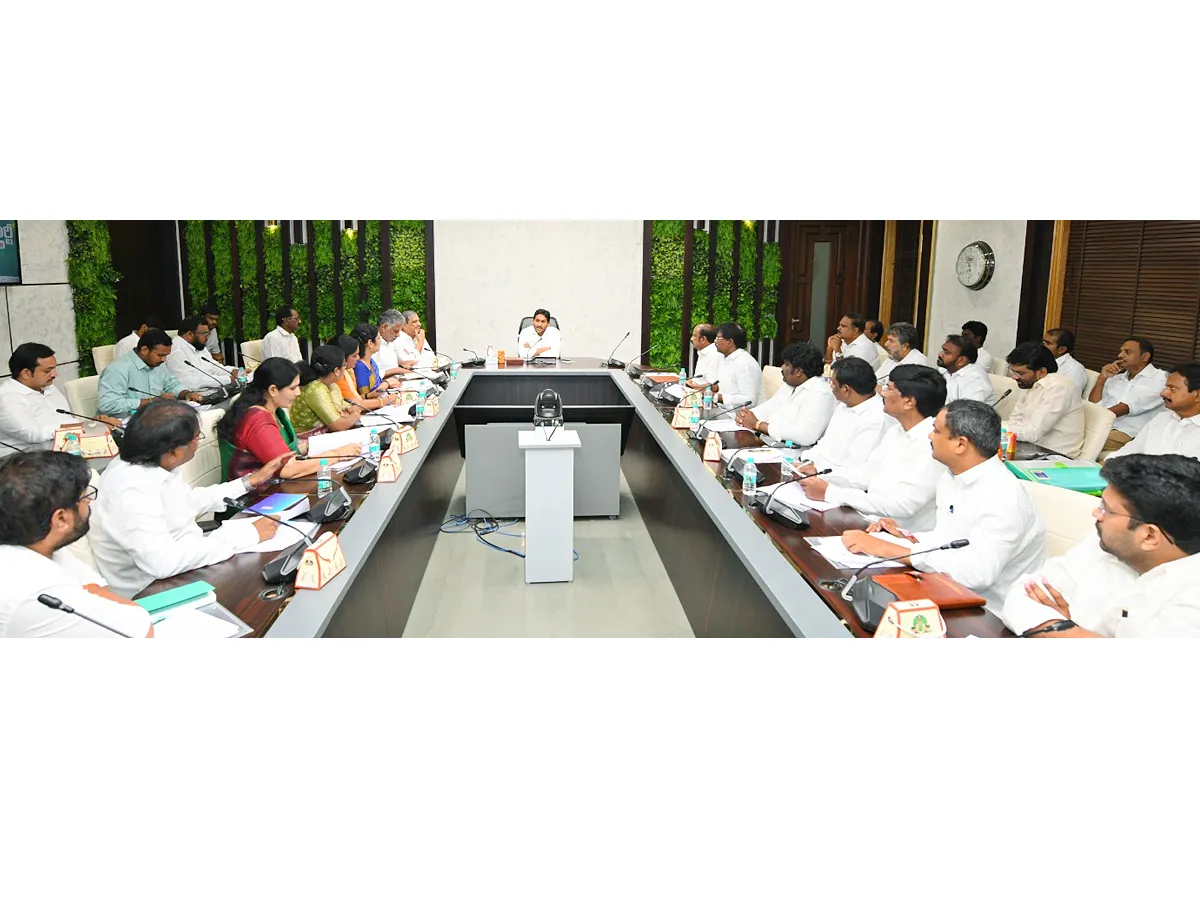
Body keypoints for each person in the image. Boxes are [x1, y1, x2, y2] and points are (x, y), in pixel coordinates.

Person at [840, 400, 1046, 610]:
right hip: (944, 588)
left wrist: (892, 549)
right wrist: (906, 536)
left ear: (960, 444)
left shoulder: (1003, 496)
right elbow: (948, 539)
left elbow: (978, 574)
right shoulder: (952, 475)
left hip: (989, 612)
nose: (929, 436)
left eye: (936, 431)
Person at [89, 400, 289, 598]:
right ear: (173, 452)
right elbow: (162, 562)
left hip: (186, 569)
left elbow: (188, 501)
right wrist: (244, 536)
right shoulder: (130, 490)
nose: (197, 443)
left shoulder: (153, 462)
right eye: (196, 438)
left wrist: (249, 481)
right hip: (155, 592)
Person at [1000, 454, 1200, 637]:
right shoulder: (1107, 545)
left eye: (1107, 509)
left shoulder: (1191, 595)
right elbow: (1022, 594)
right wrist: (1068, 630)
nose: (1096, 513)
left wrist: (1070, 630)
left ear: (1149, 536)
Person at [0, 451, 153, 638]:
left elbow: (93, 585)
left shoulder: (33, 541)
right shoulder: (37, 589)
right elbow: (139, 630)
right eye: (83, 497)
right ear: (61, 519)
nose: (89, 500)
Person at [800, 364, 947, 531]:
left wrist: (831, 492)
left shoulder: (933, 443)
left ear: (909, 401)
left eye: (889, 388)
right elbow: (865, 474)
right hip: (869, 519)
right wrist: (820, 475)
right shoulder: (896, 430)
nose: (882, 392)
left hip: (901, 536)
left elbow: (903, 505)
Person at [218, 358, 360, 481]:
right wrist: (338, 454)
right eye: (293, 388)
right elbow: (289, 469)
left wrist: (326, 443)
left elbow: (286, 451)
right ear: (273, 390)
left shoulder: (273, 409)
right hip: (256, 499)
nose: (298, 393)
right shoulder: (258, 421)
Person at [0, 343, 122, 456]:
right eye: (48, 371)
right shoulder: (7, 398)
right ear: (26, 373)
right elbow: (34, 435)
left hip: (65, 451)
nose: (55, 374)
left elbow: (67, 420)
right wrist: (86, 426)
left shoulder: (47, 387)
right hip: (24, 462)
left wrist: (93, 424)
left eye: (54, 369)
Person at [796, 356, 895, 472]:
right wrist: (807, 460)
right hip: (814, 470)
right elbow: (824, 444)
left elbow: (855, 470)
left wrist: (816, 470)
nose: (830, 386)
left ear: (846, 389)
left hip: (834, 482)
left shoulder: (877, 418)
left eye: (832, 383)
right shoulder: (845, 404)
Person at [734, 341, 837, 446]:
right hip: (770, 443)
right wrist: (745, 416)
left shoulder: (820, 394)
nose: (782, 367)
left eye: (786, 364)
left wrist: (758, 424)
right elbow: (769, 407)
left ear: (798, 372)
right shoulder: (790, 385)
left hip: (794, 454)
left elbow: (805, 436)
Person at [1002, 341, 1085, 458]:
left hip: (1055, 458)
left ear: (1041, 372)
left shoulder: (1059, 387)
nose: (1014, 377)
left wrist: (993, 427)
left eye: (1020, 373)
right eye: (1013, 371)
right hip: (1029, 449)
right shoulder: (1030, 383)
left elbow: (1033, 433)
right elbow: (1015, 420)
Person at [96, 329, 204, 417]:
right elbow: (108, 404)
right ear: (144, 350)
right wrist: (151, 401)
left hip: (154, 420)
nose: (164, 360)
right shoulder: (118, 369)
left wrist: (186, 394)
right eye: (160, 355)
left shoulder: (157, 364)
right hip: (123, 427)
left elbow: (172, 384)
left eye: (166, 355)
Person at [1088, 336, 1168, 452]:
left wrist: (1091, 420)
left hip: (1128, 432)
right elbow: (1094, 405)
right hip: (1102, 425)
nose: (1120, 355)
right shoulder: (1116, 378)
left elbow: (1126, 407)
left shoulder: (1161, 379)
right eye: (1120, 351)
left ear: (1144, 356)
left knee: (1081, 439)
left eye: (1127, 352)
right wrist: (1102, 378)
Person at [1108, 363, 1200, 461]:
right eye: (1166, 387)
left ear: (1198, 395)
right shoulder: (1162, 418)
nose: (1163, 393)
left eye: (1172, 388)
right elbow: (1130, 450)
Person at [290, 345, 365, 434]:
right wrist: (356, 413)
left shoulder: (332, 385)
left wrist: (351, 412)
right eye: (344, 365)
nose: (345, 368)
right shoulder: (315, 389)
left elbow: (347, 408)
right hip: (307, 442)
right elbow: (339, 425)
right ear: (336, 370)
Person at [167, 315, 239, 393]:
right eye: (204, 334)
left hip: (210, 391)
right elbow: (188, 382)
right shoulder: (175, 351)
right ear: (190, 334)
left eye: (207, 334)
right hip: (191, 397)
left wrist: (233, 371)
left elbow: (213, 367)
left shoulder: (198, 345)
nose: (207, 338)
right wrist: (227, 379)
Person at [330, 335, 396, 412]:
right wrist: (385, 400)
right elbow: (354, 404)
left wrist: (368, 396)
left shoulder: (349, 371)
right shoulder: (338, 377)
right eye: (354, 356)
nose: (358, 358)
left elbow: (355, 398)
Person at [710, 322, 763, 409]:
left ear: (730, 342)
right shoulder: (725, 358)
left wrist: (718, 397)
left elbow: (749, 400)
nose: (715, 341)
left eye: (718, 338)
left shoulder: (745, 363)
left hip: (739, 417)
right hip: (722, 410)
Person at [937, 334, 995, 404]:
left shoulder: (975, 379)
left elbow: (968, 412)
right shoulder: (943, 370)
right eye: (942, 350)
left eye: (946, 352)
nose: (940, 354)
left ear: (961, 360)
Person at [874, 321, 932, 386]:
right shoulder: (893, 357)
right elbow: (875, 381)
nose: (886, 344)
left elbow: (900, 392)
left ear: (905, 346)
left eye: (891, 341)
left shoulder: (918, 363)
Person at [350, 323, 392, 400]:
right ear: (370, 343)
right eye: (379, 338)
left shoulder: (370, 361)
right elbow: (367, 396)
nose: (380, 341)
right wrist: (387, 383)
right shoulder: (360, 366)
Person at [1042, 327, 1087, 397]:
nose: (1042, 346)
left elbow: (1070, 397)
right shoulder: (1041, 360)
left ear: (1061, 349)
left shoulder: (1075, 369)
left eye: (1048, 343)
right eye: (1043, 342)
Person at [373, 309, 409, 380]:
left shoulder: (390, 341)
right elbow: (372, 374)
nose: (398, 335)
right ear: (384, 327)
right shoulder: (373, 344)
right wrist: (395, 371)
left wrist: (402, 365)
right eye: (396, 331)